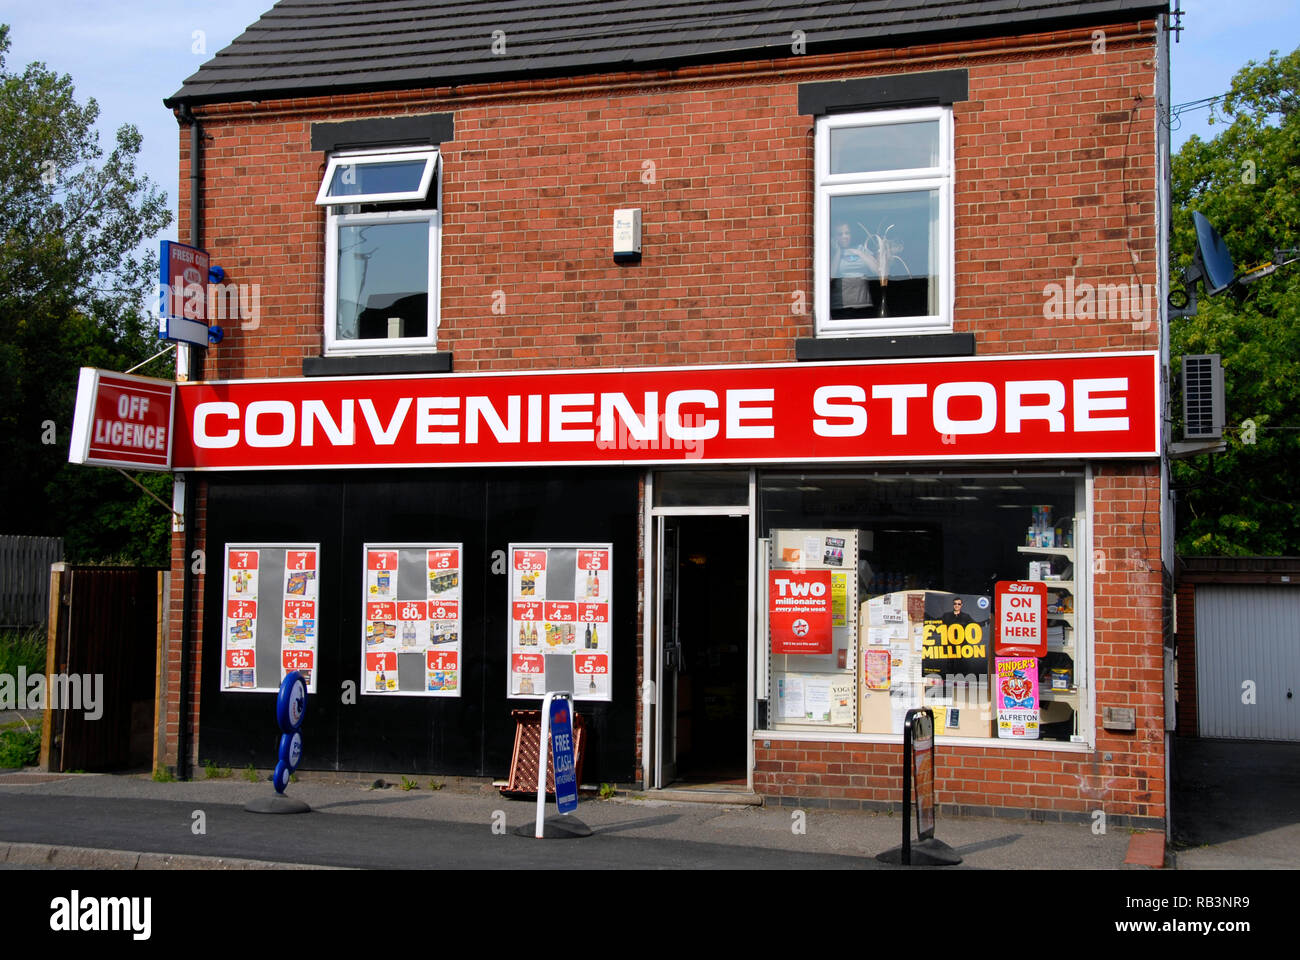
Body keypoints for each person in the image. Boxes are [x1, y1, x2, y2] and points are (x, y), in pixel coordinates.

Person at [830, 222, 877, 309]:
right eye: (840, 234)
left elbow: (877, 271)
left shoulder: (861, 248)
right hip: (840, 305)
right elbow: (831, 276)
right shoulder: (831, 253)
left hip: (863, 303)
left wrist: (860, 253)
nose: (845, 236)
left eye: (847, 233)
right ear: (834, 238)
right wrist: (838, 252)